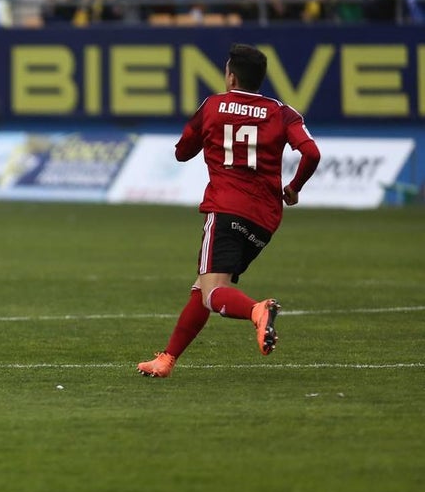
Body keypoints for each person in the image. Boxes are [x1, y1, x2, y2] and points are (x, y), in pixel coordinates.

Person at [137, 44, 322, 378]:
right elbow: (312, 153)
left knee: (212, 293)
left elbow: (182, 152)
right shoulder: (282, 112)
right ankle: (167, 359)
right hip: (264, 220)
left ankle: (256, 310)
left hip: (225, 209)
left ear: (231, 77)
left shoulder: (212, 106)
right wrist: (295, 187)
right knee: (203, 288)